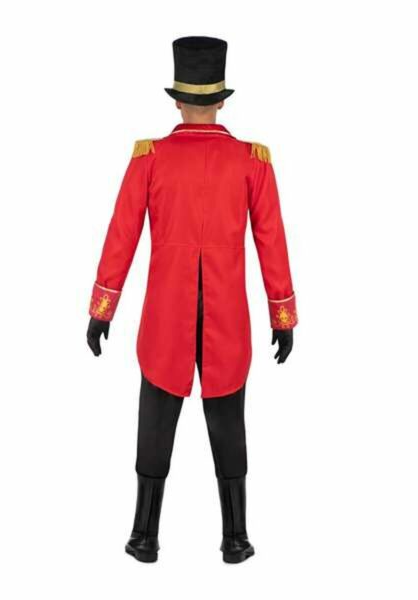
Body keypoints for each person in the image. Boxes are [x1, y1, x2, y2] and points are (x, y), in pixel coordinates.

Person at [87, 36, 297, 563]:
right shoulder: (251, 161)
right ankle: (236, 538)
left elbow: (121, 236)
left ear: (177, 101)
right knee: (228, 422)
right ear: (221, 101)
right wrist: (283, 314)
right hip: (228, 317)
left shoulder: (150, 159)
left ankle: (144, 536)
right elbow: (272, 241)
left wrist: (102, 309)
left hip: (165, 316)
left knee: (155, 421)